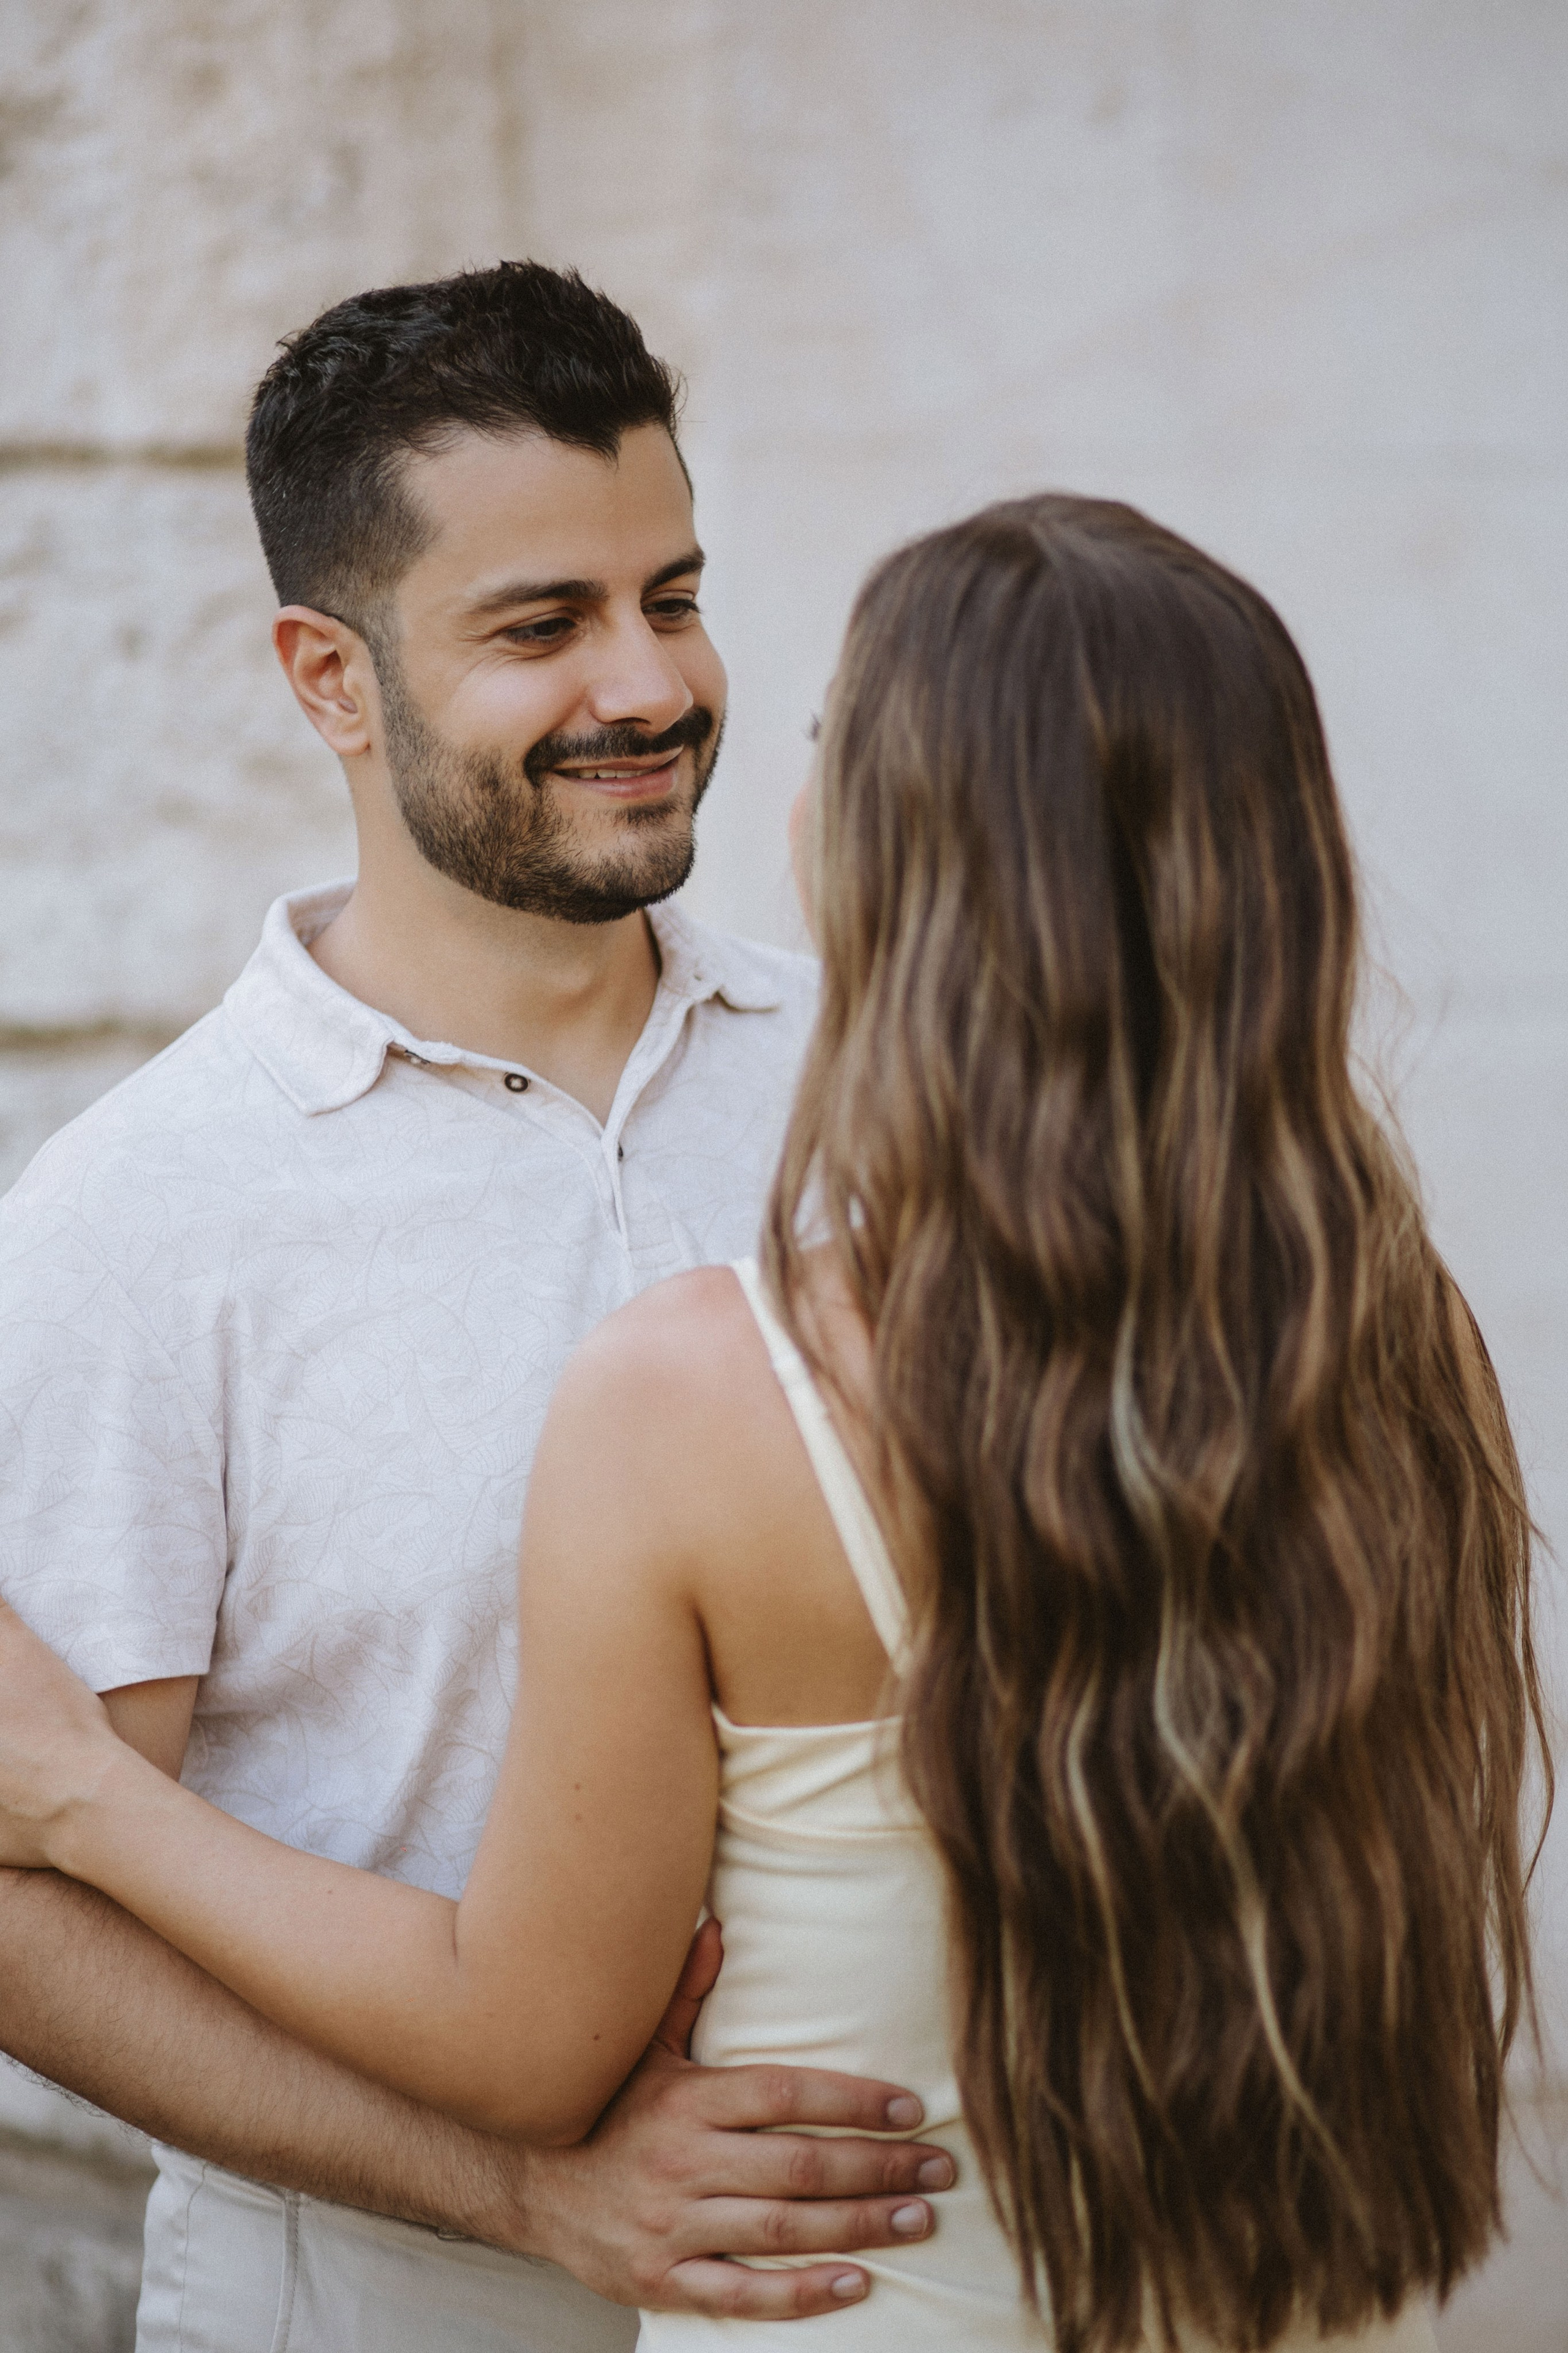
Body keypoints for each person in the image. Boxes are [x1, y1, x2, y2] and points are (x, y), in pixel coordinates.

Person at [0, 493, 1546, 2352]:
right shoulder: (1403, 1339)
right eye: (546, 620)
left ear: (908, 851)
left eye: (827, 737)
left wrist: (85, 1798)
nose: (665, 692)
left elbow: (521, 2035)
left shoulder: (707, 1390)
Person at [0, 262, 957, 2353]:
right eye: (542, 626)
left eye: (672, 595)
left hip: (876, 2283)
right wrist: (521, 2191)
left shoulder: (885, 1078)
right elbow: (23, 1899)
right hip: (367, 2297)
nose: (649, 683)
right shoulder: (139, 1218)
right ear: (329, 678)